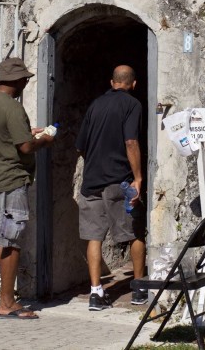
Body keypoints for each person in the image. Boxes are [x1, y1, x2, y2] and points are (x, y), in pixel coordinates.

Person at [0, 57, 55, 320]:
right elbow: (25, 147)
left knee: (0, 239)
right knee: (11, 241)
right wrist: (44, 140)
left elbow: (3, 136)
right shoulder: (13, 107)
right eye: (25, 80)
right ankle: (3, 300)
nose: (26, 84)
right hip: (11, 180)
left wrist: (27, 132)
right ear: (17, 81)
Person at [75, 65, 147, 310]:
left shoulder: (95, 105)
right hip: (119, 180)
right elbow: (131, 141)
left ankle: (96, 293)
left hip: (91, 182)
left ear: (111, 82)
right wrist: (138, 178)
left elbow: (81, 146)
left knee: (94, 237)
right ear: (133, 84)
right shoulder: (132, 104)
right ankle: (139, 289)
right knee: (135, 231)